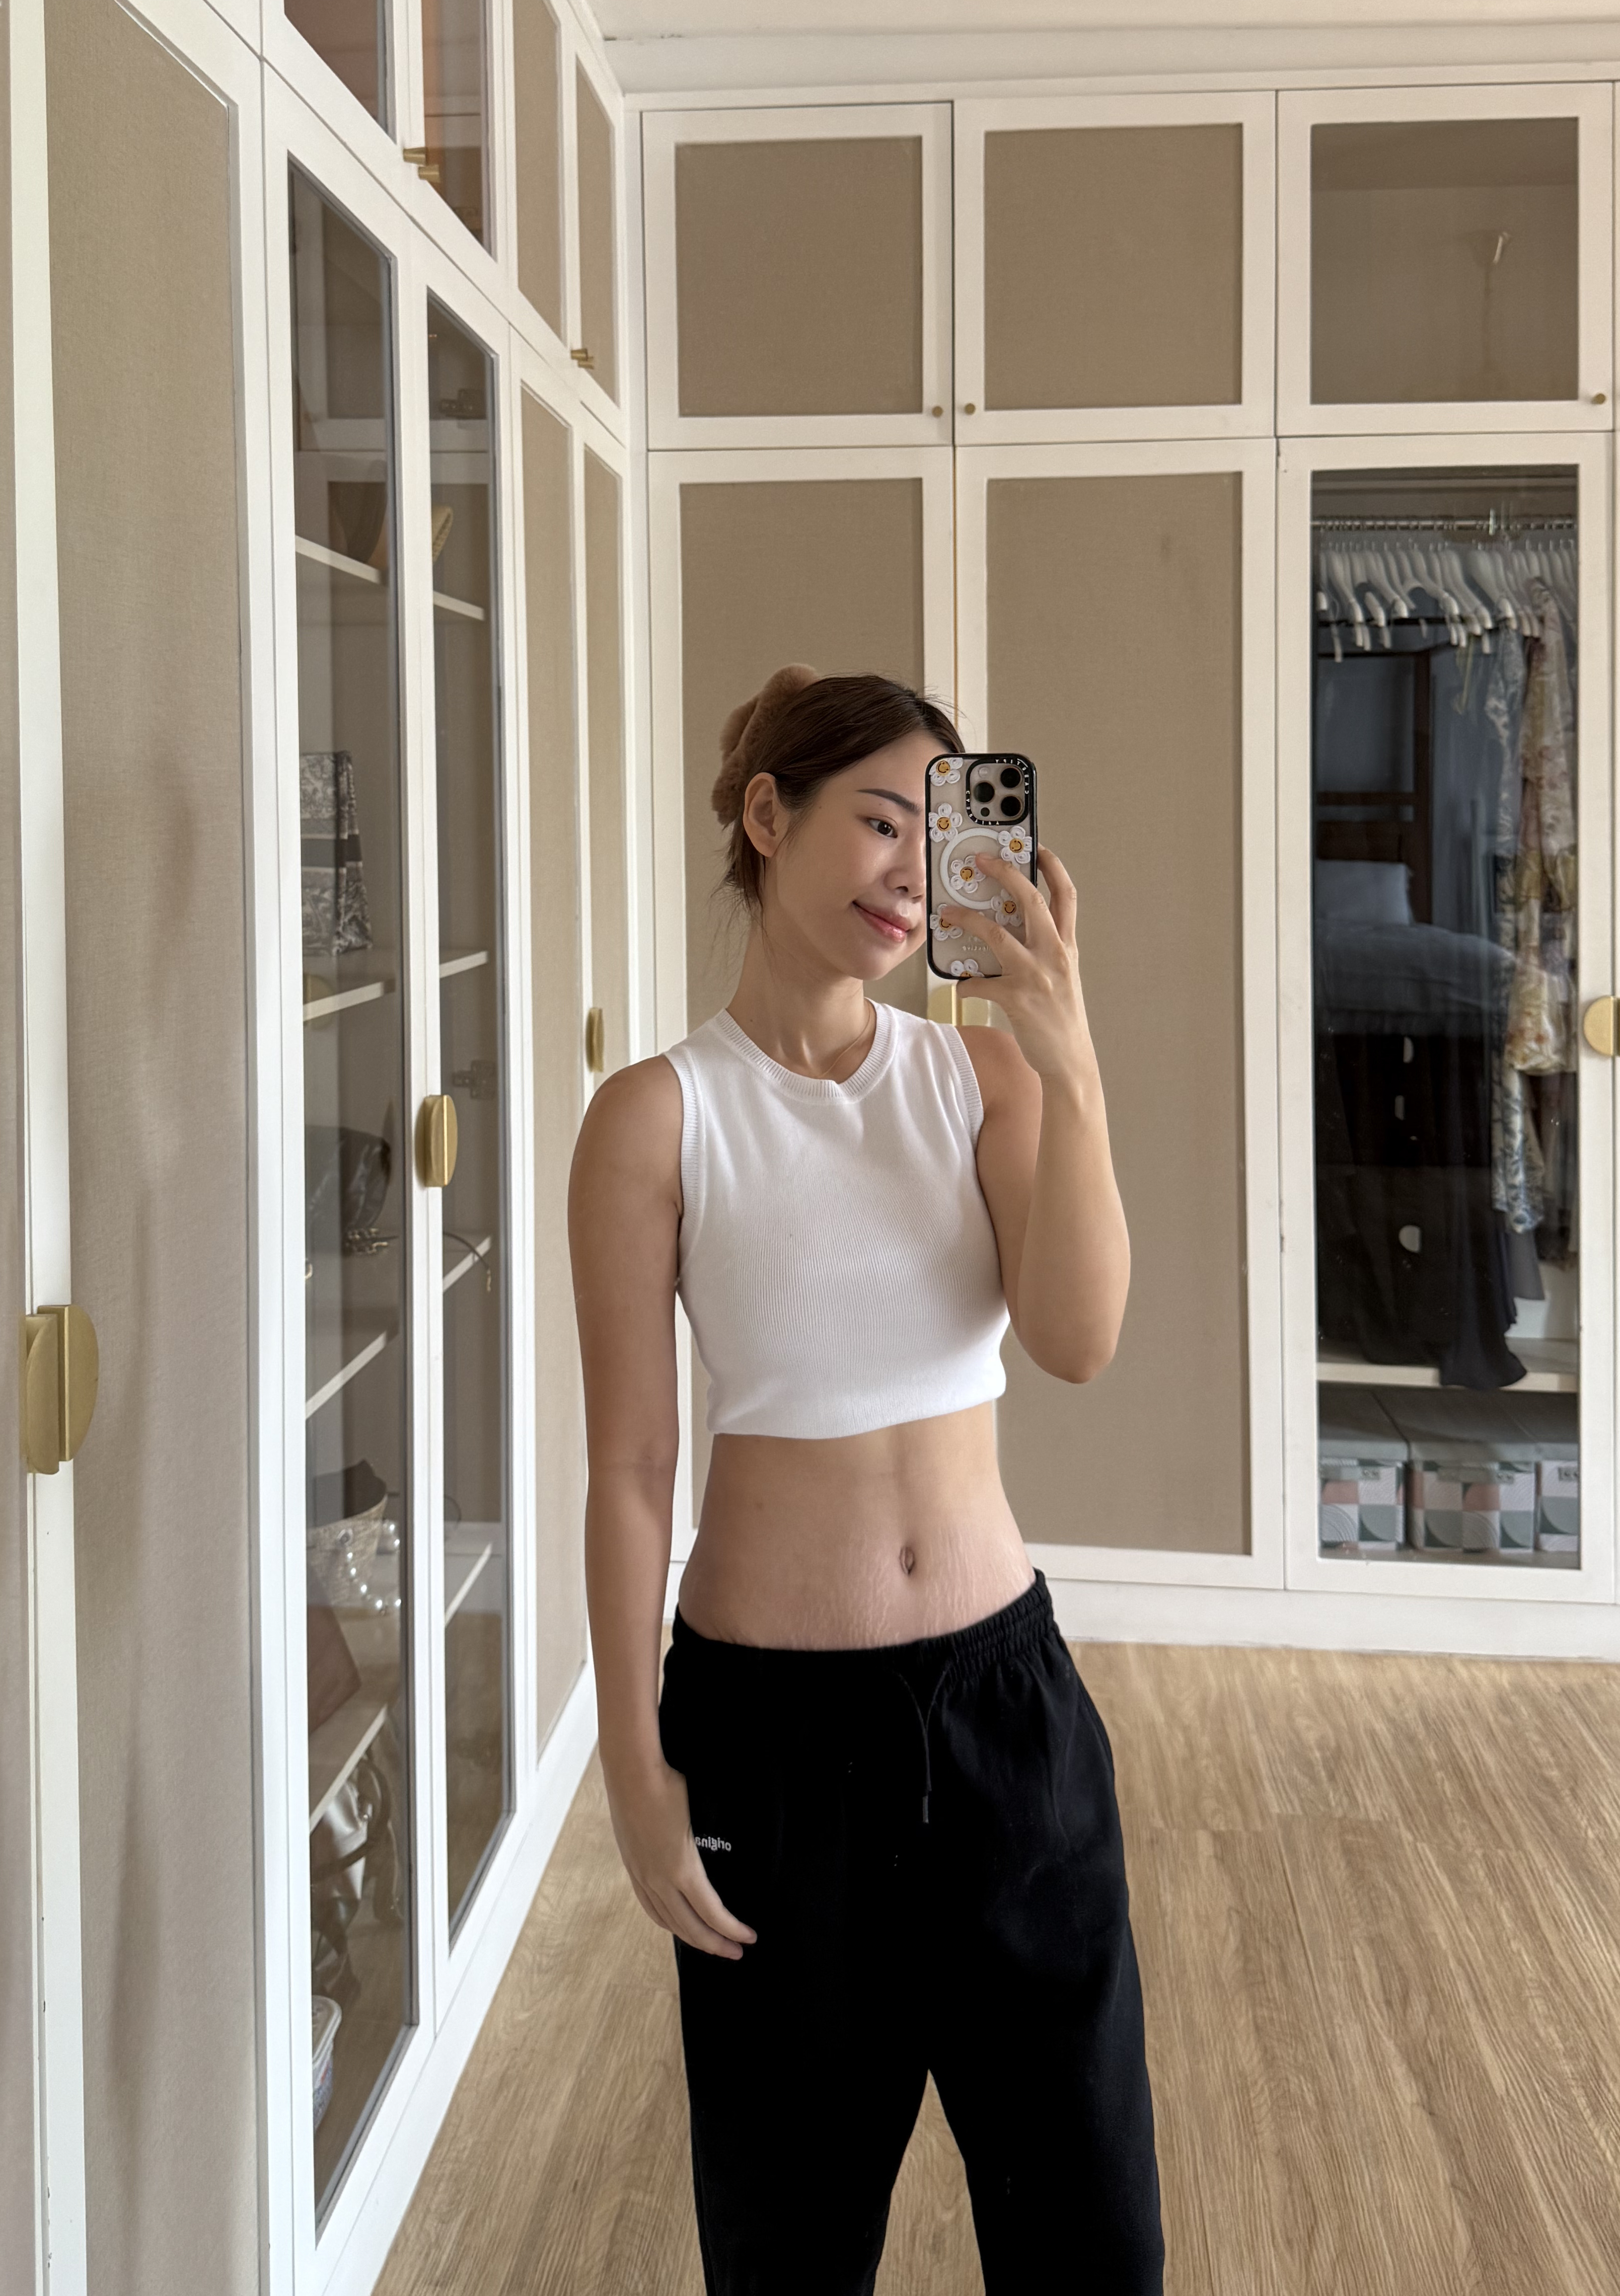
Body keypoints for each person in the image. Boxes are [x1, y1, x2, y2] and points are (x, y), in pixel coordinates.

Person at [569, 665, 1163, 2295]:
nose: (913, 872)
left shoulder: (980, 1082)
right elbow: (629, 1467)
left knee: (1089, 2237)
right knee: (788, 2243)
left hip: (1007, 1726)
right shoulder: (654, 1118)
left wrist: (1069, 1060)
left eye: (942, 833)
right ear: (768, 817)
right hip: (772, 1749)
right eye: (881, 823)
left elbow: (1078, 1339)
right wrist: (633, 1764)